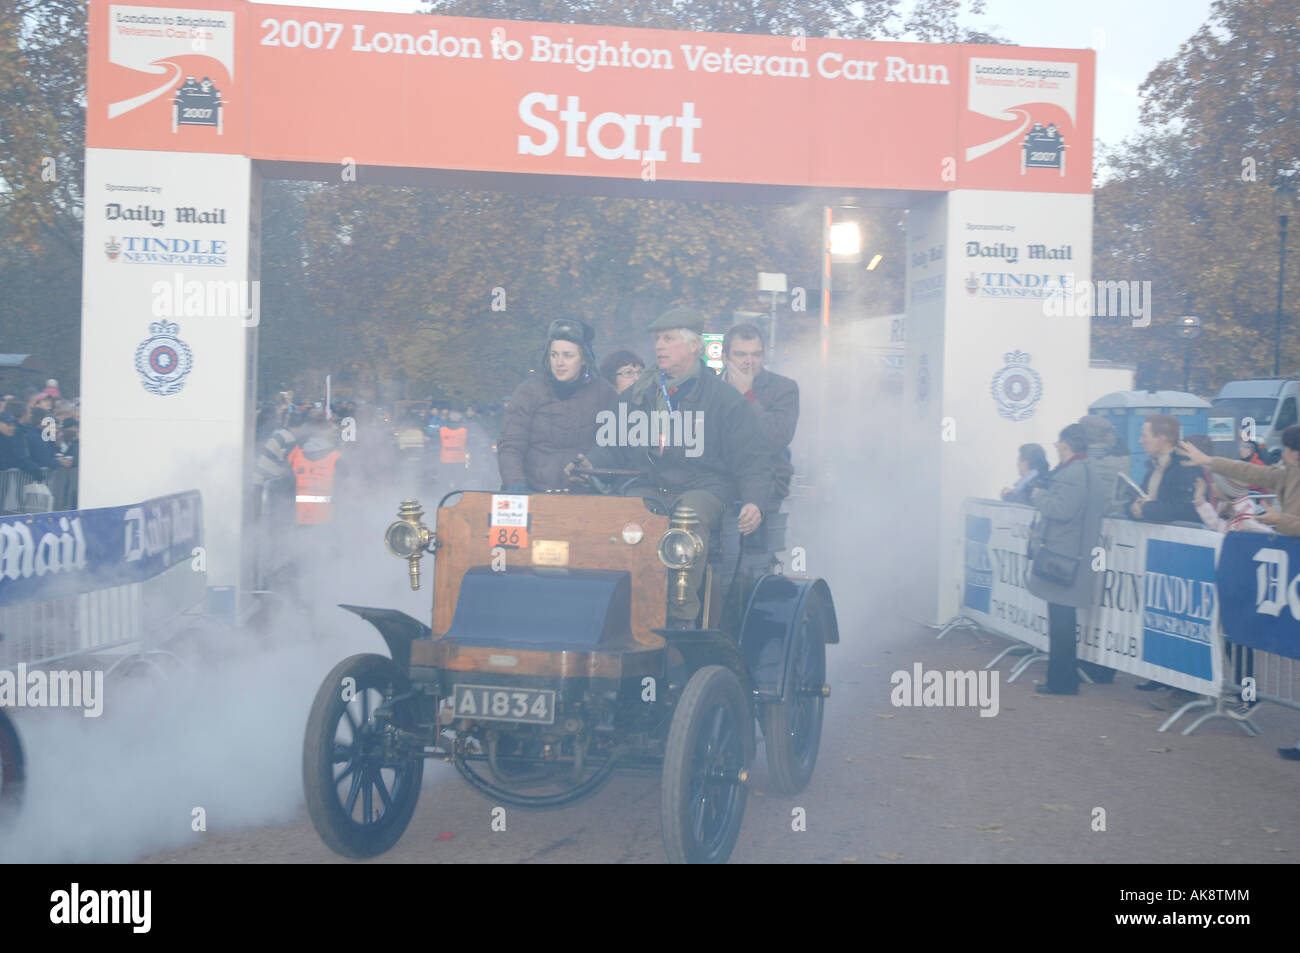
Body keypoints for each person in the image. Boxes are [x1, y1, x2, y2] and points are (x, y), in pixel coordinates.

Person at [581, 306, 771, 629]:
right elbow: (612, 443)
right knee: (624, 515)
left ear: (694, 345)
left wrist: (755, 502)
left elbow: (751, 458)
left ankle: (680, 620)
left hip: (705, 488)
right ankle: (620, 610)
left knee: (687, 518)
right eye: (658, 339)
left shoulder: (724, 399)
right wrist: (588, 464)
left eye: (668, 339)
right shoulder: (639, 395)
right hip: (651, 486)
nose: (658, 347)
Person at [1026, 423, 1110, 694]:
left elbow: (1062, 510)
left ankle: (1062, 681)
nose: (1057, 451)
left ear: (1066, 445)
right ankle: (1062, 679)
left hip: (1063, 555)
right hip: (1073, 554)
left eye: (1058, 446)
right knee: (1062, 620)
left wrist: (1041, 498)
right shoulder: (1085, 471)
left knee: (1061, 623)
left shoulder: (1074, 473)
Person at [497, 319, 616, 493]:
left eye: (568, 355)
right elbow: (511, 444)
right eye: (554, 355)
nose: (559, 363)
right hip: (532, 491)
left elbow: (615, 447)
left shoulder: (604, 393)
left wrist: (594, 469)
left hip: (585, 496)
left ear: (584, 359)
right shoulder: (529, 391)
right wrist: (515, 484)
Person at [722, 322, 799, 507]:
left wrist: (747, 396)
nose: (749, 361)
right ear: (725, 357)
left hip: (766, 483)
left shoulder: (783, 388)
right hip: (714, 481)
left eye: (756, 355)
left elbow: (775, 439)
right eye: (740, 354)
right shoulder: (709, 388)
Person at [1179, 425, 1300, 535]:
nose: (1282, 453)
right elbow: (1248, 471)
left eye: (1285, 448)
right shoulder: (1287, 475)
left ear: (1294, 453)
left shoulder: (1245, 517)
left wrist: (1279, 520)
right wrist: (1209, 461)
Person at [1129, 414, 1198, 523]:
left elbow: (1187, 510)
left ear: (1161, 439)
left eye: (1144, 436)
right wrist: (1133, 508)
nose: (1140, 441)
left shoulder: (1186, 468)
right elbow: (1138, 499)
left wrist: (1146, 508)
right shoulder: (1152, 468)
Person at [287, 419, 342, 524]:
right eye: (331, 431)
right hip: (326, 517)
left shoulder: (295, 453)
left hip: (297, 515)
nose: (334, 434)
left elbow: (287, 481)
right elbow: (344, 489)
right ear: (323, 432)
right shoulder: (335, 457)